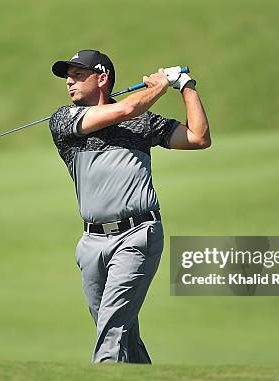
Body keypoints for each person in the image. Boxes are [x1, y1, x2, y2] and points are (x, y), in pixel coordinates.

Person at [48, 49, 210, 363]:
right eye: (68, 76)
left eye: (78, 75)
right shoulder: (64, 119)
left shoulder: (143, 122)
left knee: (110, 333)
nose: (69, 82)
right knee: (120, 332)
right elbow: (122, 112)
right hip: (92, 244)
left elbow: (198, 137)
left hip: (137, 236)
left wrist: (186, 86)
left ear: (102, 78)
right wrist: (161, 85)